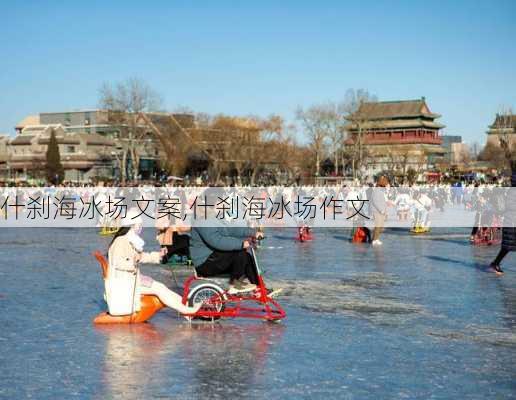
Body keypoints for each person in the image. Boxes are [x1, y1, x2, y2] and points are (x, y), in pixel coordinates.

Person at [105, 208, 202, 318]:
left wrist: (158, 255)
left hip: (132, 279)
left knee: (161, 287)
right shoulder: (121, 241)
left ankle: (187, 306)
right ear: (132, 225)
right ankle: (186, 310)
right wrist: (133, 262)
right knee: (159, 289)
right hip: (125, 283)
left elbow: (140, 257)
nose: (140, 227)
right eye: (139, 224)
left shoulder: (129, 239)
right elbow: (119, 263)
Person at [190, 224, 262, 294]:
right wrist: (241, 244)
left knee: (247, 257)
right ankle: (235, 283)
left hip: (213, 258)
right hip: (204, 264)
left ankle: (260, 289)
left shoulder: (213, 218)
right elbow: (217, 241)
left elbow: (230, 229)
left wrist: (253, 233)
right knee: (239, 252)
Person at [490, 165, 516, 275]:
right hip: (511, 221)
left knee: (508, 246)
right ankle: (495, 263)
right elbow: (509, 206)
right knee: (507, 246)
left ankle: (495, 263)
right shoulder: (512, 192)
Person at [370, 176, 389, 246]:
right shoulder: (377, 190)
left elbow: (382, 201)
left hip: (382, 211)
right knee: (378, 226)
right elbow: (375, 201)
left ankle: (375, 238)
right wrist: (381, 210)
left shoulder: (380, 191)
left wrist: (385, 211)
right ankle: (374, 239)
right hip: (377, 211)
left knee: (381, 226)